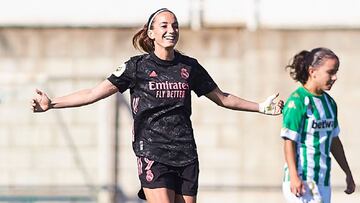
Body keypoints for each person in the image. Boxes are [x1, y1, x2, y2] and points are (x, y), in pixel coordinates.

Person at [32, 8, 284, 203]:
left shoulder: (189, 67)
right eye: (164, 25)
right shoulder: (136, 67)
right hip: (152, 151)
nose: (171, 30)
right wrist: (52, 103)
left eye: (175, 25)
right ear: (151, 33)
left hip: (186, 153)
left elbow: (222, 97)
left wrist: (261, 106)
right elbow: (93, 93)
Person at [281, 47, 356, 203]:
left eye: (336, 72)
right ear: (312, 71)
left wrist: (347, 172)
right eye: (330, 72)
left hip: (323, 181)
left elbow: (334, 141)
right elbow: (289, 141)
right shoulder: (297, 101)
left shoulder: (330, 103)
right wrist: (294, 176)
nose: (335, 77)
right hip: (301, 179)